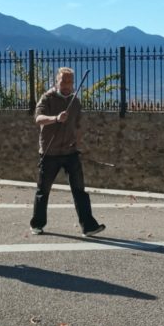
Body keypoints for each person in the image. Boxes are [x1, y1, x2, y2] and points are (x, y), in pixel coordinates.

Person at [29, 66, 105, 237]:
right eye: (63, 81)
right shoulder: (47, 98)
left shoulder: (75, 101)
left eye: (70, 82)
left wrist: (78, 144)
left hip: (70, 152)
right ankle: (37, 224)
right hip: (50, 153)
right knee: (43, 190)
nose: (67, 85)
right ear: (57, 81)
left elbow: (78, 126)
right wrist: (55, 118)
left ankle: (89, 226)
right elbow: (38, 118)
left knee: (80, 191)